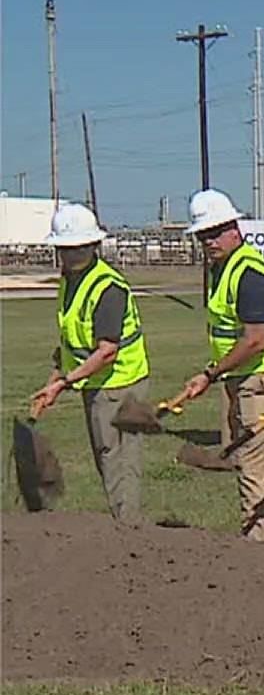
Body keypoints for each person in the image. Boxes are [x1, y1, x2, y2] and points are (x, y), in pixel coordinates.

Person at [173, 188, 264, 543]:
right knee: (255, 463)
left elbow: (255, 339)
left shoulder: (250, 275)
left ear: (234, 229)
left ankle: (255, 545)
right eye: (202, 235)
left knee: (255, 467)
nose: (208, 241)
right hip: (242, 377)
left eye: (215, 232)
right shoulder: (223, 268)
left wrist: (210, 373)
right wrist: (214, 373)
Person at [31, 204, 149, 521]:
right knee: (107, 458)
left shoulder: (106, 287)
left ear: (90, 246)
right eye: (64, 250)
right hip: (94, 381)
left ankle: (128, 530)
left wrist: (67, 381)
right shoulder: (71, 282)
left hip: (119, 384)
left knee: (119, 460)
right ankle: (123, 523)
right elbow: (71, 343)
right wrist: (55, 381)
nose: (67, 257)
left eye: (73, 249)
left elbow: (107, 350)